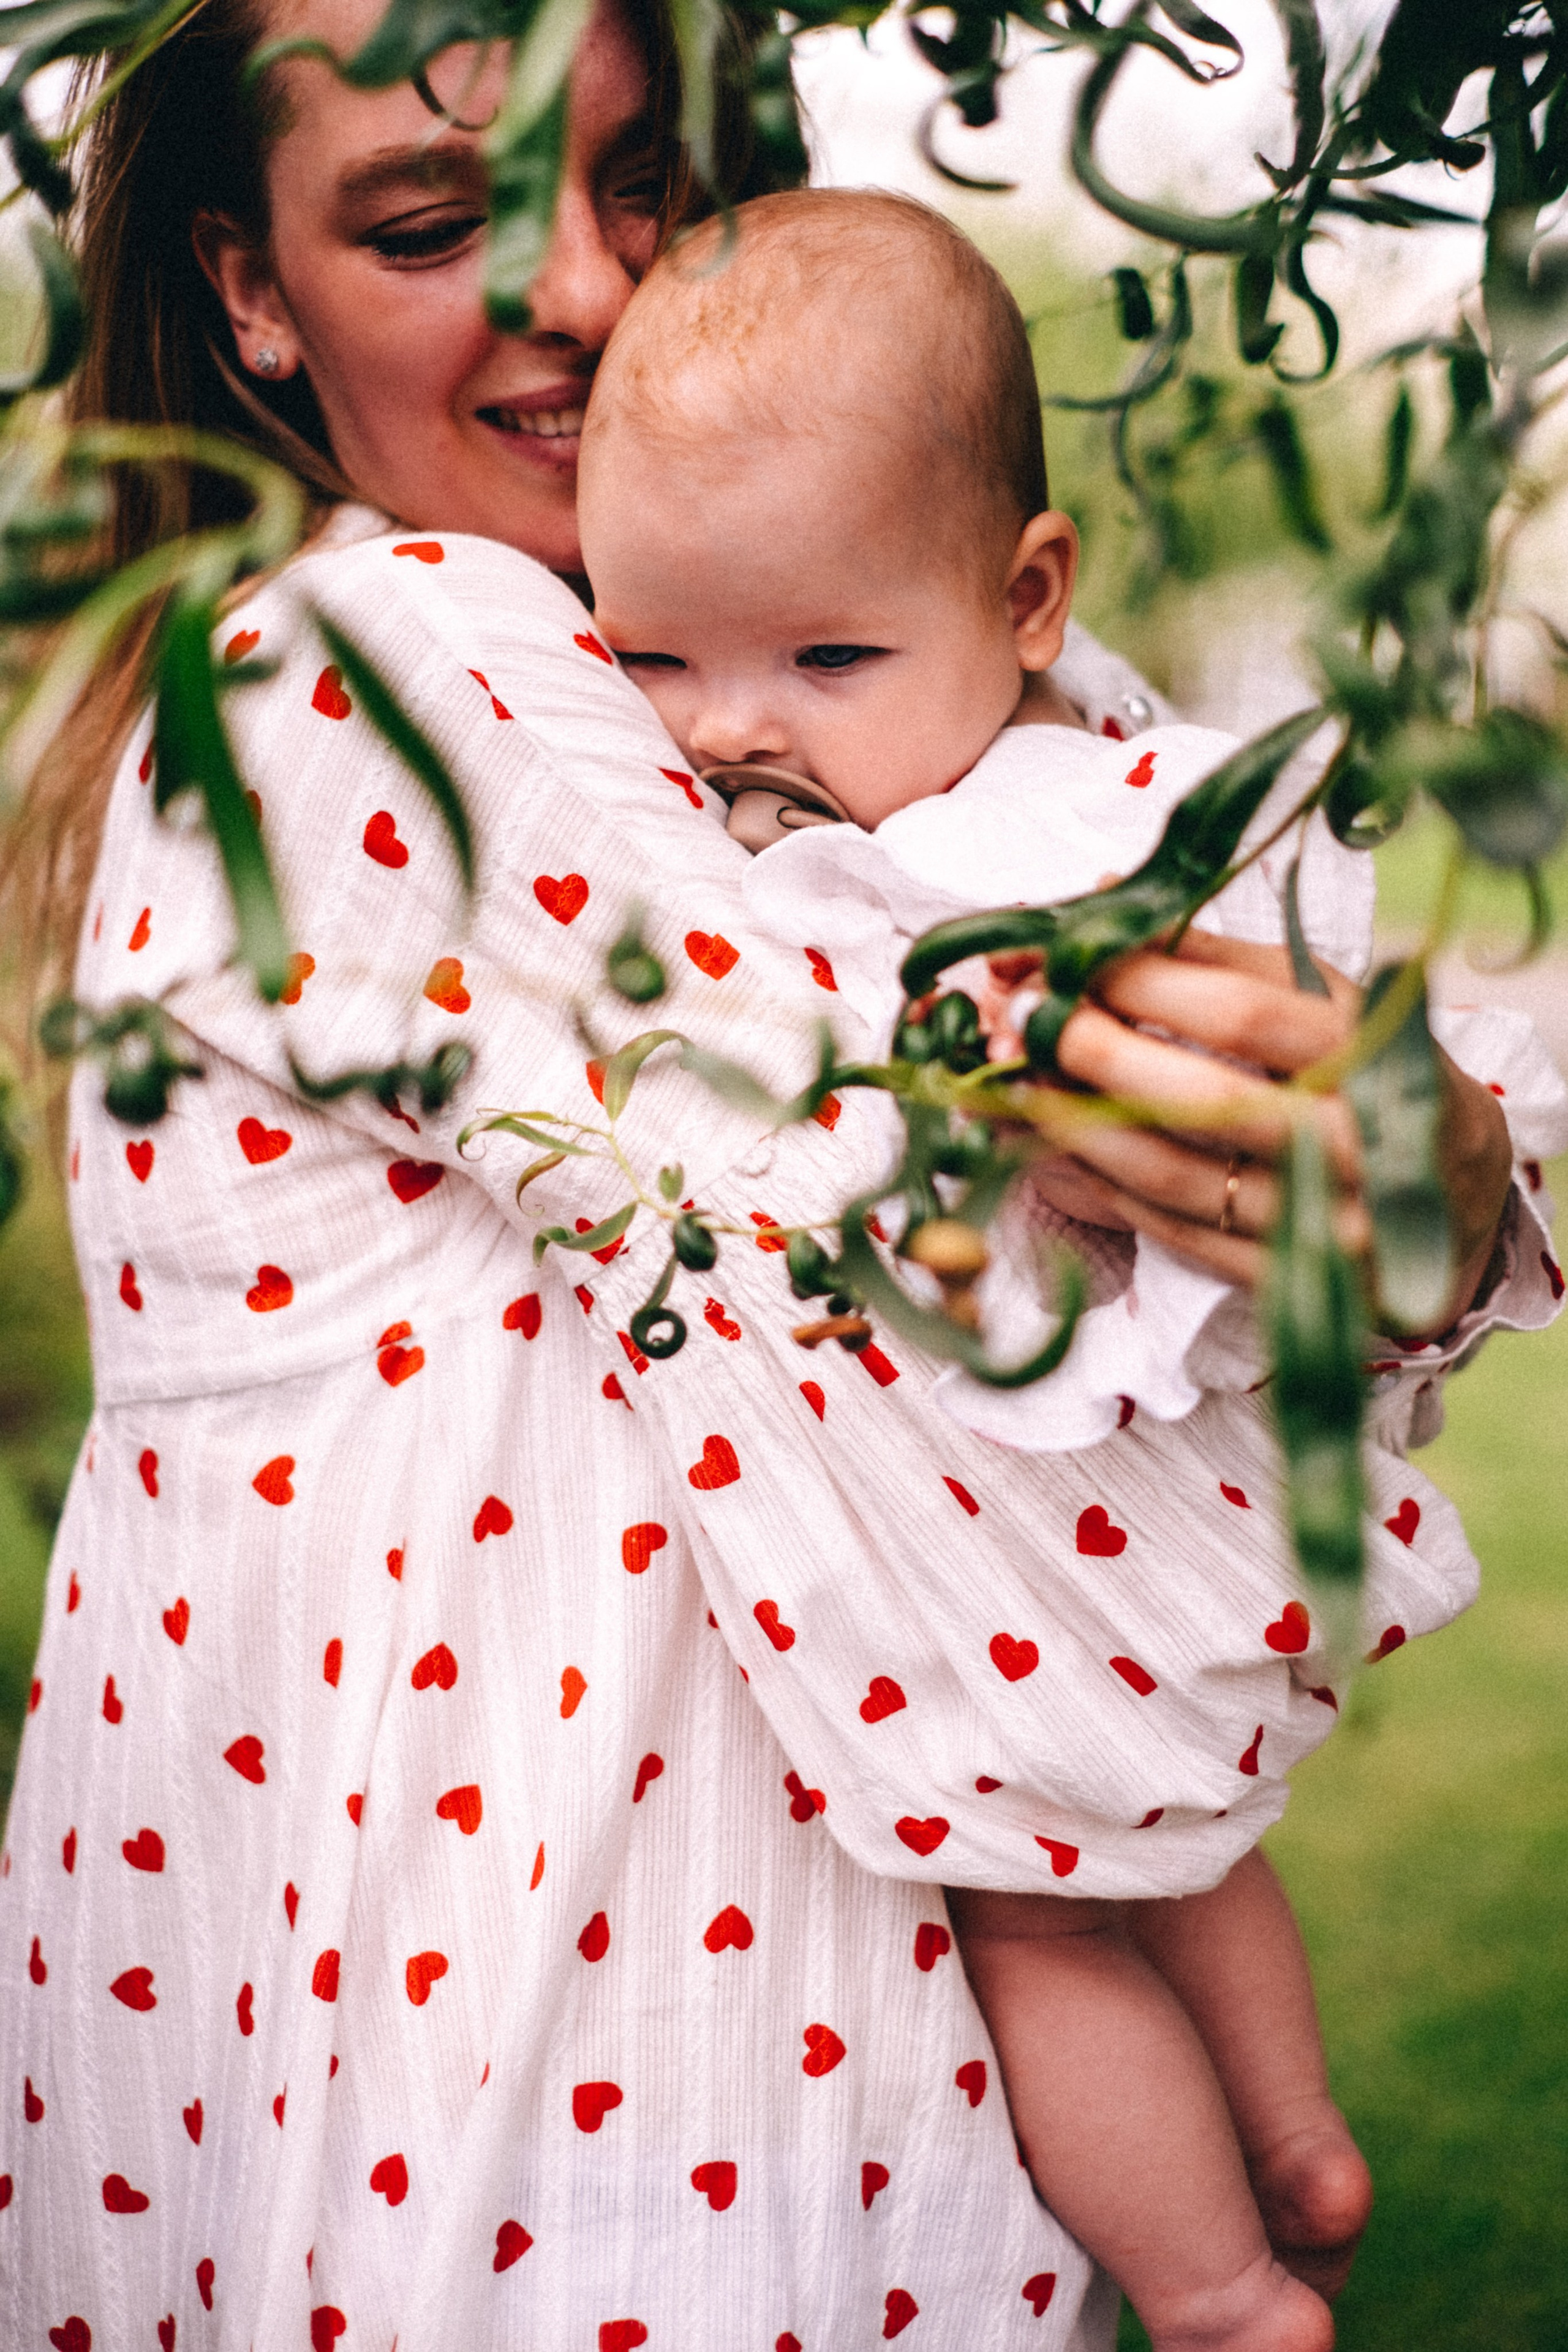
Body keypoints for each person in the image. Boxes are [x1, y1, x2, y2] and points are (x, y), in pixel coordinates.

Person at [0, 8, 1551, 2351]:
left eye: (646, 186)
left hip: (748, 2034)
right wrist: (1387, 1178)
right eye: (431, 224)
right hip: (571, 2075)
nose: (588, 291)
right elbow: (981, 1174)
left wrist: (1400, 1175)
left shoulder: (745, 676)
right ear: (248, 290)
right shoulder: (374, 665)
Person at [573, 186, 1568, 2351]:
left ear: (1029, 596)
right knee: (1179, 1848)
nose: (731, 732)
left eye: (825, 660)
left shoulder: (973, 868)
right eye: (651, 658)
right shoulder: (1118, 782)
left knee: (1031, 1916)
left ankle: (1217, 2291)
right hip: (1140, 1504)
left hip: (1024, 1496)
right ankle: (1296, 2141)